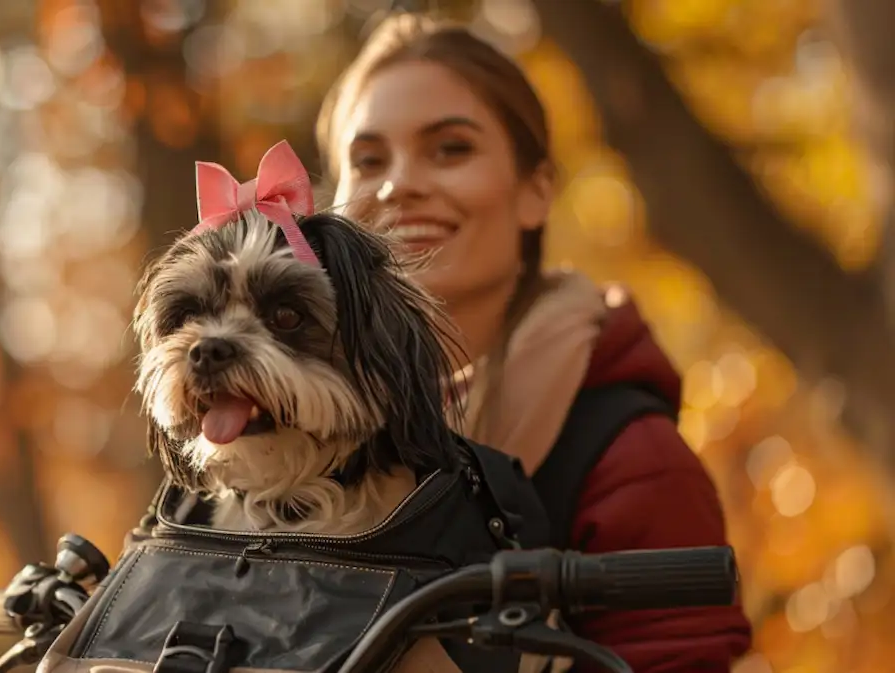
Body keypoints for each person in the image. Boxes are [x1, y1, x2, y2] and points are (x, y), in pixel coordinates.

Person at [315, 12, 753, 673]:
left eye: (450, 149)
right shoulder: (279, 440)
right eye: (368, 159)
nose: (397, 183)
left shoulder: (631, 459)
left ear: (535, 191)